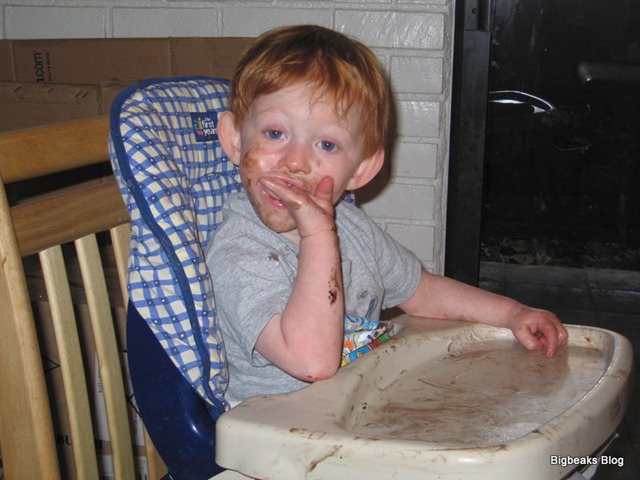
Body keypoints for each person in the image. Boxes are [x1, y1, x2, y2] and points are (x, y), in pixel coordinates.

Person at [206, 25, 568, 407]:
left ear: (361, 169)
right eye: (275, 133)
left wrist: (512, 314)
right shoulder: (238, 253)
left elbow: (422, 292)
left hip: (354, 406)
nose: (295, 162)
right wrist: (318, 236)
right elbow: (311, 362)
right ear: (234, 139)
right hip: (277, 431)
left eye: (326, 144)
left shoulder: (353, 228)